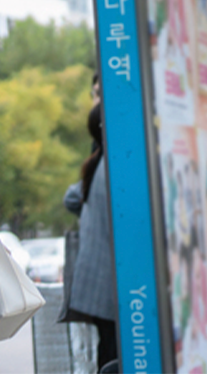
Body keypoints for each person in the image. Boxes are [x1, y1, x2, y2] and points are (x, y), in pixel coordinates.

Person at [63, 77, 118, 370]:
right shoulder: (114, 164)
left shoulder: (97, 163)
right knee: (113, 356)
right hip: (111, 284)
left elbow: (70, 198)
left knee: (107, 352)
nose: (97, 99)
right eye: (96, 94)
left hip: (98, 283)